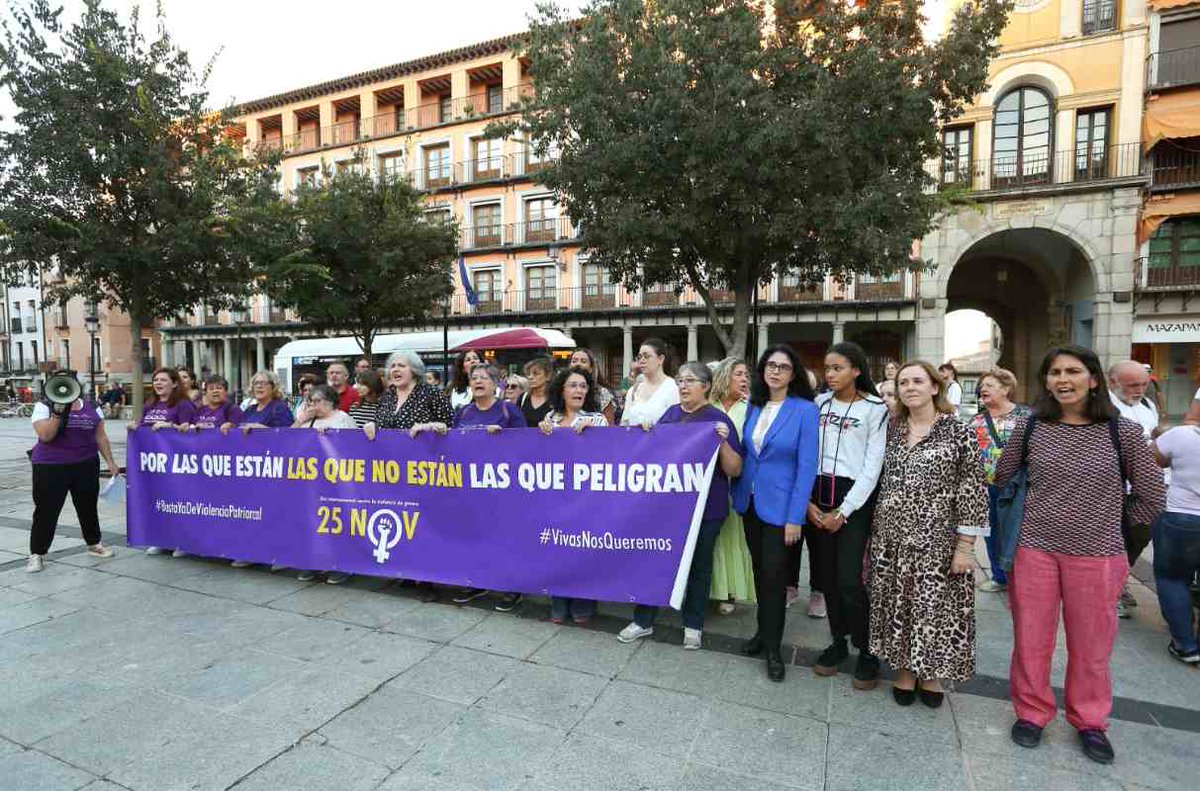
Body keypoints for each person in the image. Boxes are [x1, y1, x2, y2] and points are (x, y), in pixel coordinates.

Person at [995, 345, 1164, 764]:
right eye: (1054, 372)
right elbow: (1003, 476)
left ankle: (1090, 721)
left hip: (1098, 554)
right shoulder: (1031, 426)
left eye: (1072, 371)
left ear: (1093, 379)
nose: (1062, 380)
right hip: (1034, 549)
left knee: (1092, 646)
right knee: (1031, 640)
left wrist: (1115, 529)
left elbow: (1152, 495)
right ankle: (1031, 713)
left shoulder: (1122, 432)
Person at [869, 360, 988, 709]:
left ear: (935, 387)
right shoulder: (891, 429)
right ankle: (905, 671)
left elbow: (972, 490)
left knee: (933, 608)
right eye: (904, 382)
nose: (910, 387)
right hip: (891, 536)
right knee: (900, 604)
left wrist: (965, 547)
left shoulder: (958, 431)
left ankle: (931, 673)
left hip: (937, 539)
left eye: (918, 381)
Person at [618, 362, 745, 649]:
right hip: (668, 508)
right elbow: (652, 455)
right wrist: (646, 432)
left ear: (706, 386)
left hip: (706, 509)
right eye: (680, 381)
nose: (683, 386)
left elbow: (735, 469)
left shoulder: (718, 419)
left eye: (690, 381)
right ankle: (643, 620)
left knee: (700, 567)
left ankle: (693, 625)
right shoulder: (671, 415)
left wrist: (723, 443)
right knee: (654, 561)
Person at [730, 344, 819, 682]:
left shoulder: (805, 410)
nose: (775, 371)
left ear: (793, 374)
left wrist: (796, 517)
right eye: (770, 365)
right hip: (750, 502)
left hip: (781, 509)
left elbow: (806, 467)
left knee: (775, 578)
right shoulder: (755, 405)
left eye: (783, 366)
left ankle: (773, 648)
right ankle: (762, 633)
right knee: (759, 573)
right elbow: (748, 453)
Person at [808, 342, 889, 690]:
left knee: (849, 579)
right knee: (826, 576)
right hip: (817, 493)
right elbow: (806, 452)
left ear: (856, 370)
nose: (830, 374)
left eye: (837, 368)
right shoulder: (819, 404)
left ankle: (866, 649)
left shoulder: (875, 409)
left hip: (853, 498)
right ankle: (838, 641)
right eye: (827, 368)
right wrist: (807, 503)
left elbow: (873, 467)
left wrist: (844, 510)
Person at [363, 350, 453, 602]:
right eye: (392, 366)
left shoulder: (431, 392)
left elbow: (449, 426)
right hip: (393, 472)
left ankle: (427, 577)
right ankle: (406, 569)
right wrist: (371, 426)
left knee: (425, 523)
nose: (395, 370)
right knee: (403, 518)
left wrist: (431, 427)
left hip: (425, 471)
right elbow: (381, 424)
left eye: (401, 365)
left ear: (414, 369)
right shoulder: (388, 395)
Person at [444, 364, 528, 611]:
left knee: (505, 538)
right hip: (470, 488)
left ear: (495, 384)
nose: (478, 381)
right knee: (474, 536)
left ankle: (512, 587)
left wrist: (504, 438)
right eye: (474, 378)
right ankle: (477, 581)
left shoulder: (508, 410)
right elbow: (452, 444)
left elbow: (526, 446)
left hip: (501, 488)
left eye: (484, 378)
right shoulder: (463, 412)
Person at [26, 373, 118, 572]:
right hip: (51, 466)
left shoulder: (92, 406)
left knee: (87, 507)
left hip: (85, 464)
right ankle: (37, 553)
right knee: (46, 510)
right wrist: (57, 413)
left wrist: (110, 461)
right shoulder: (44, 406)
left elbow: (100, 436)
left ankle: (94, 543)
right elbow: (46, 436)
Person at [541, 367, 609, 624]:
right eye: (573, 385)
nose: (579, 390)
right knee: (557, 549)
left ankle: (583, 603)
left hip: (587, 499)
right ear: (562, 390)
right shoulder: (551, 418)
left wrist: (596, 434)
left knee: (583, 549)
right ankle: (559, 602)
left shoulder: (598, 419)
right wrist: (541, 433)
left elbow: (611, 452)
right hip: (557, 497)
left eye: (583, 386)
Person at [968, 368, 1032, 594]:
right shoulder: (976, 420)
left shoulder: (1027, 416)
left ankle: (1022, 576)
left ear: (1006, 389)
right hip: (987, 487)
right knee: (992, 532)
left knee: (1019, 533)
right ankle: (999, 577)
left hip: (1018, 487)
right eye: (982, 386)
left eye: (989, 385)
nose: (983, 389)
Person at [1108, 359, 1162, 618]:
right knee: (1114, 543)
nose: (1139, 390)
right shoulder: (1103, 408)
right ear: (1113, 382)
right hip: (1114, 490)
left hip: (1144, 488)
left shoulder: (1148, 405)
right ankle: (1113, 591)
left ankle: (1118, 582)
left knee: (1136, 539)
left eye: (1143, 384)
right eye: (1132, 385)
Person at [290, 384, 357, 583]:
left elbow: (354, 447)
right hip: (311, 481)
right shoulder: (306, 420)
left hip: (337, 481)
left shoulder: (342, 418)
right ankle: (314, 563)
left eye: (317, 401)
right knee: (312, 523)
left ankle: (342, 565)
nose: (313, 405)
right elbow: (288, 440)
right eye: (310, 401)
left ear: (330, 401)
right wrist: (300, 420)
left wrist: (332, 437)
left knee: (337, 524)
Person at [130, 368, 198, 557]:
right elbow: (143, 426)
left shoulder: (183, 405)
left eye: (163, 380)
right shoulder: (150, 404)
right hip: (154, 464)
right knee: (159, 502)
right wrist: (135, 427)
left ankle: (182, 542)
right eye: (155, 380)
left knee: (178, 502)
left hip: (176, 463)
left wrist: (171, 427)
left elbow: (189, 432)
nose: (158, 383)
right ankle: (161, 539)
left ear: (174, 383)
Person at [708, 357, 756, 615]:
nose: (744, 379)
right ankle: (710, 589)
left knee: (732, 537)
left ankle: (730, 591)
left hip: (737, 480)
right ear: (724, 376)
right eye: (739, 374)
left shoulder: (751, 409)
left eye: (746, 375)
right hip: (707, 482)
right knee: (711, 539)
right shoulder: (708, 406)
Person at [1151, 419, 1200, 664]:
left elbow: (1153, 458)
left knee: (1172, 578)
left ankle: (1185, 644)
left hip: (1182, 516)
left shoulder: (1182, 435)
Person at [620, 338, 679, 428]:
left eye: (646, 356)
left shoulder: (673, 388)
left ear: (660, 359)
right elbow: (624, 424)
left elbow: (676, 426)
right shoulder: (633, 391)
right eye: (640, 357)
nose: (642, 360)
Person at [568, 348, 616, 425]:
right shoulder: (562, 390)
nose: (578, 364)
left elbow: (610, 426)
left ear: (591, 368)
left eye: (583, 361)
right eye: (574, 361)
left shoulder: (601, 393)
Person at [519, 357, 554, 427]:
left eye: (536, 374)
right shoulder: (523, 397)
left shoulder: (556, 399)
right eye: (529, 374)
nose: (530, 377)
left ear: (548, 376)